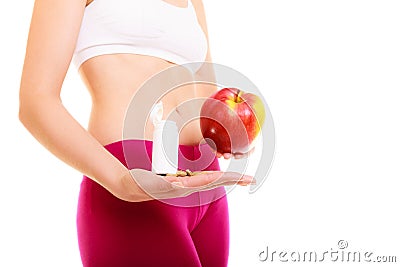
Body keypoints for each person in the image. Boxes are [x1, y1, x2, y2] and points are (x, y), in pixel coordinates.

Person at [19, 0, 255, 266]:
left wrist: (227, 132)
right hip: (132, 172)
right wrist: (120, 181)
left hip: (205, 179)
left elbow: (207, 92)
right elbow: (35, 101)